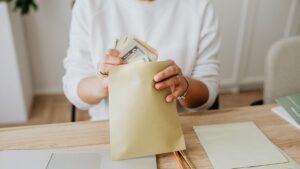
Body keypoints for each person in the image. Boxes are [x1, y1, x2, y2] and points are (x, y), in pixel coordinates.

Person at [63, 0, 221, 121]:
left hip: (180, 130)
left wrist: (184, 87)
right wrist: (101, 84)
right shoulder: (89, 5)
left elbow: (208, 92)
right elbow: (73, 86)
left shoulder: (199, 6)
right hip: (109, 130)